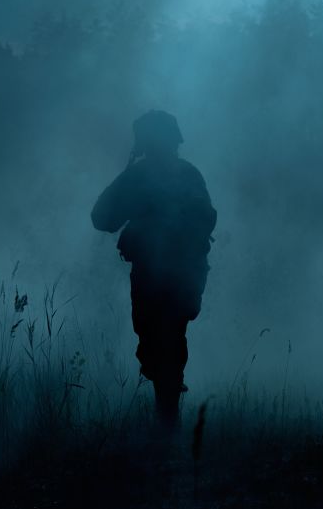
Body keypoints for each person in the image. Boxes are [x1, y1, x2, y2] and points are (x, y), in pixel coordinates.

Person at [91, 110, 216, 428]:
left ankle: (167, 415)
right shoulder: (145, 176)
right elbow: (102, 218)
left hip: (178, 272)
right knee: (153, 340)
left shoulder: (183, 176)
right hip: (155, 273)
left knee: (167, 339)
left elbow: (205, 218)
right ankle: (167, 398)